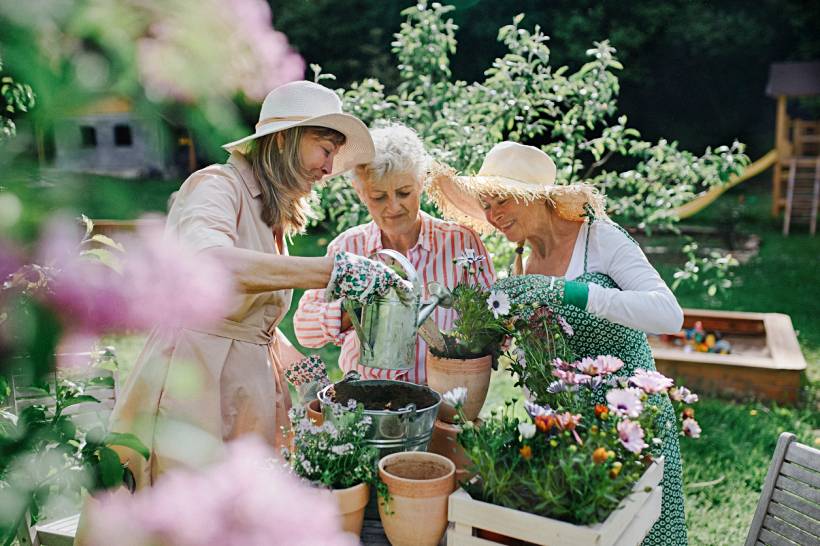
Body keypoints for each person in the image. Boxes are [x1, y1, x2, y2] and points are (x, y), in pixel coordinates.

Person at [108, 81, 412, 489]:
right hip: (198, 391)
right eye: (325, 149)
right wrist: (332, 271)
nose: (327, 169)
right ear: (284, 139)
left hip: (245, 392)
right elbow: (208, 262)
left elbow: (255, 327)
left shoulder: (269, 215)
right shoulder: (216, 185)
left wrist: (312, 379)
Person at [429, 141, 687, 545]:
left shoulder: (600, 238)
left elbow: (668, 314)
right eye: (486, 204)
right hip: (571, 428)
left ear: (536, 198)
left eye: (501, 201)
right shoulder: (522, 262)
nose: (492, 215)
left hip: (631, 418)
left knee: (644, 535)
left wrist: (569, 292)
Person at [294, 124, 495, 385]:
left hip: (444, 397)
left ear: (421, 183)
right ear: (361, 194)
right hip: (368, 397)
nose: (393, 206)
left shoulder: (460, 243)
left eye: (404, 192)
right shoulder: (348, 247)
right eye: (378, 197)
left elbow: (496, 324)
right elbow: (304, 329)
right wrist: (353, 312)